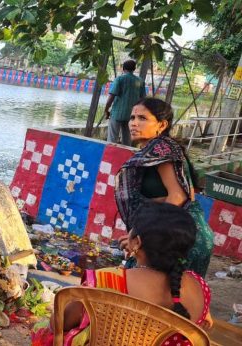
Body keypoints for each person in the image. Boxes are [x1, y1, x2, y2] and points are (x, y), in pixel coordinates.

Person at [32, 202, 212, 346]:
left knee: (46, 330)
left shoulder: (108, 279)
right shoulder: (200, 288)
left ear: (137, 242)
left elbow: (60, 323)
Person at [115, 98, 214, 277]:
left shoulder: (163, 149)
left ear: (162, 125)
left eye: (142, 118)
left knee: (151, 291)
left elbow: (178, 197)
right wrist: (135, 233)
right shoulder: (155, 151)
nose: (134, 123)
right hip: (175, 231)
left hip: (179, 236)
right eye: (132, 117)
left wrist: (139, 235)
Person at [105, 60, 146, 146]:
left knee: (112, 139)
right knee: (127, 140)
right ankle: (125, 158)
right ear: (134, 69)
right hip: (131, 115)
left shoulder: (119, 79)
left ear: (123, 68)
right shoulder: (140, 81)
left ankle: (110, 157)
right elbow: (143, 100)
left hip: (117, 113)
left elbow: (111, 96)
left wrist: (106, 110)